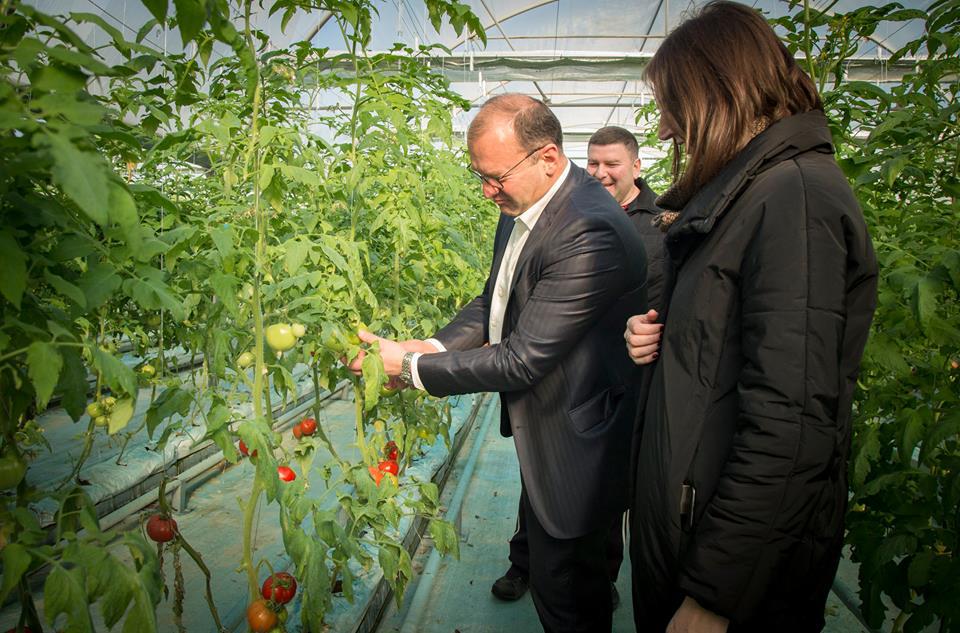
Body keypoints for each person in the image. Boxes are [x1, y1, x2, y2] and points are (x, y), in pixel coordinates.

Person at [625, 2, 878, 632]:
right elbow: (728, 349)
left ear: (716, 96)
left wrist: (716, 593)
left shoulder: (792, 197)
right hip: (692, 527)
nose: (664, 131)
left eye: (672, 109)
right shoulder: (748, 196)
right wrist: (663, 336)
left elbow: (791, 425)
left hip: (734, 570)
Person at [352, 93, 647, 633]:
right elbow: (496, 300)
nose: (488, 191)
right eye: (479, 176)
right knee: (555, 572)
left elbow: (522, 358)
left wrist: (409, 371)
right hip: (552, 426)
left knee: (570, 592)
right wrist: (432, 348)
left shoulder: (588, 228)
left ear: (549, 158)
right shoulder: (525, 204)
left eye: (496, 176)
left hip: (582, 442)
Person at [492, 125, 665, 608]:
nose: (601, 173)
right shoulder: (558, 209)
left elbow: (663, 297)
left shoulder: (659, 223)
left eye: (612, 164)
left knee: (600, 500)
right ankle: (523, 562)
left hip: (614, 379)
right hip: (555, 373)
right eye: (593, 163)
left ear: (636, 165)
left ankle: (597, 579)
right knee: (540, 484)